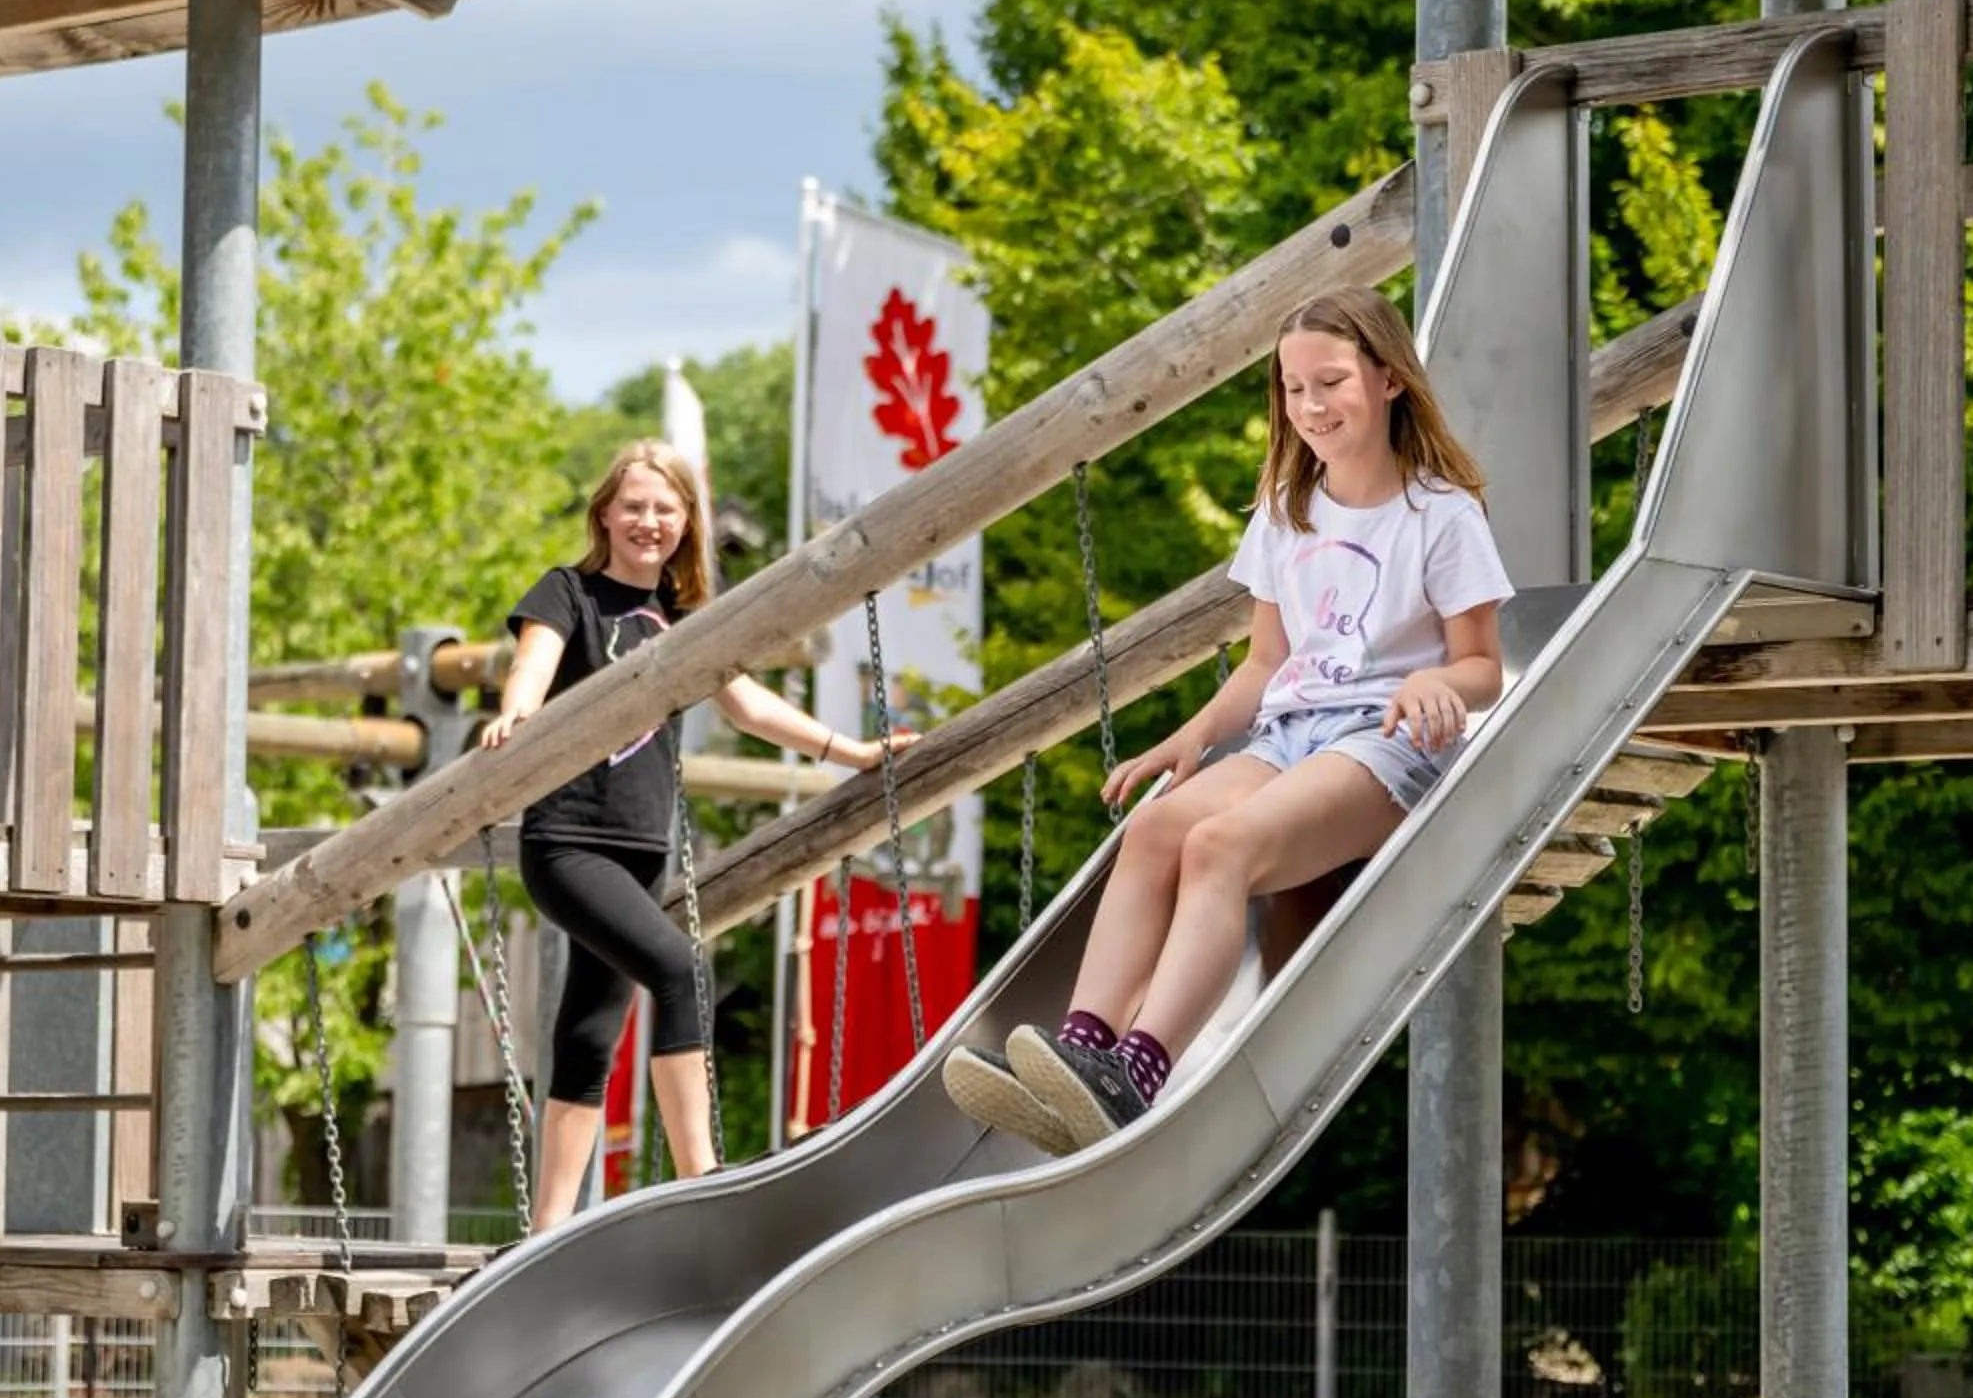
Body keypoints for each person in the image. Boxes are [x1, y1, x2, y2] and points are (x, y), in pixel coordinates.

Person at [944, 289, 1512, 1155]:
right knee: (1155, 830)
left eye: (1331, 382)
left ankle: (1137, 1074)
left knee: (1220, 847)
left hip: (1383, 740)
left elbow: (1482, 667)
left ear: (1390, 380)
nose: (1311, 406)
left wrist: (1439, 683)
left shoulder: (1440, 513)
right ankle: (1082, 1054)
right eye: (1294, 388)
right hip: (1287, 736)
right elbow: (1264, 663)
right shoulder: (1288, 508)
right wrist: (1194, 738)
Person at [483, 439, 915, 1232]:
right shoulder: (567, 591)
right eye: (633, 507)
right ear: (604, 515)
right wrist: (516, 713)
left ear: (686, 522)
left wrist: (849, 752)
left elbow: (747, 706)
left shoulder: (684, 618)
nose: (648, 522)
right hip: (568, 843)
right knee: (681, 970)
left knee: (590, 1032)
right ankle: (700, 1177)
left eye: (665, 509)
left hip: (641, 850)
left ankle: (543, 1232)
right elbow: (532, 665)